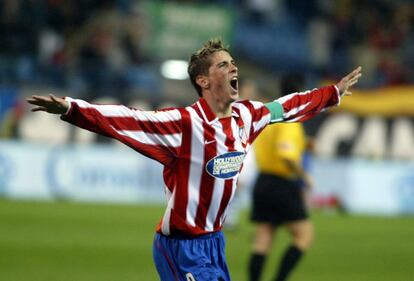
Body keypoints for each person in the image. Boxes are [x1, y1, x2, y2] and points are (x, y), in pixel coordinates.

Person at [27, 39, 362, 281]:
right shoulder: (184, 124)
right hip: (181, 248)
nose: (233, 68)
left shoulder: (248, 115)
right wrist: (72, 108)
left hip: (214, 243)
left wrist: (332, 94)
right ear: (203, 81)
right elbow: (126, 118)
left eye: (233, 63)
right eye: (223, 64)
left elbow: (287, 106)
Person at [248, 74, 316, 281]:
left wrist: (305, 144)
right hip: (281, 184)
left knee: (263, 239)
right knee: (304, 235)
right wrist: (304, 176)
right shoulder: (290, 121)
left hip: (263, 181)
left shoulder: (270, 116)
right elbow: (286, 155)